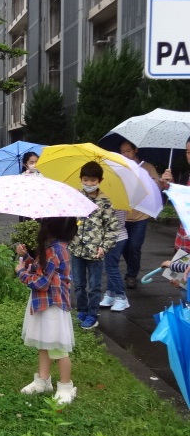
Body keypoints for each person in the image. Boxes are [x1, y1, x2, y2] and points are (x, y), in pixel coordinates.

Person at [15, 217, 78, 405]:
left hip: (53, 306)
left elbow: (41, 282)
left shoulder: (54, 250)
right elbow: (39, 267)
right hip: (45, 304)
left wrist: (20, 272)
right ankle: (42, 380)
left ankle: (66, 387)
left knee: (58, 348)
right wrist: (26, 257)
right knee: (45, 342)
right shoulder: (54, 247)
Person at [69, 161, 118, 329]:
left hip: (96, 252)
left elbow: (112, 228)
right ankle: (81, 311)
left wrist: (104, 247)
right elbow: (68, 220)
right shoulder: (75, 197)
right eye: (85, 180)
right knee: (79, 285)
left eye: (93, 180)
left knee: (95, 286)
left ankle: (92, 314)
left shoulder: (105, 202)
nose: (89, 184)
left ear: (100, 180)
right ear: (81, 179)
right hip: (76, 249)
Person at [118, 140, 162, 289]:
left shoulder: (146, 167)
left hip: (141, 215)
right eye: (122, 151)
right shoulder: (120, 168)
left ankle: (131, 275)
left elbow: (157, 185)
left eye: (128, 151)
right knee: (124, 247)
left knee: (135, 246)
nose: (125, 154)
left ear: (135, 150)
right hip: (123, 214)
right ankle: (133, 268)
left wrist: (149, 181)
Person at [161, 137, 190, 252]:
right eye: (188, 152)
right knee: (179, 269)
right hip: (184, 239)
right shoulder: (186, 176)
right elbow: (179, 204)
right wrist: (169, 184)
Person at [99, 209, 130, 312]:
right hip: (108, 239)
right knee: (110, 267)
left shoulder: (116, 201)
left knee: (111, 267)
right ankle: (110, 294)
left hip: (116, 238)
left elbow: (115, 222)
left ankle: (121, 297)